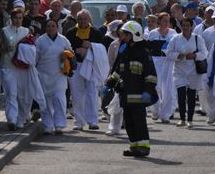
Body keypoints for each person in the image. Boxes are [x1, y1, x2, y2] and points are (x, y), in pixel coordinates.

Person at [105, 20, 158, 157]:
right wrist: (110, 82)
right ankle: (134, 146)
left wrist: (148, 90)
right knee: (128, 122)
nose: (122, 37)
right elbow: (118, 70)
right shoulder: (125, 50)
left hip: (139, 94)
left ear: (134, 35)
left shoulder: (143, 52)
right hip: (126, 93)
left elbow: (150, 74)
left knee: (139, 121)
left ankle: (144, 147)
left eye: (125, 34)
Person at [65, 9, 105, 131]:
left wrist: (91, 48)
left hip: (91, 66)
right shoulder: (71, 32)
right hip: (75, 66)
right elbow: (66, 48)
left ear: (89, 19)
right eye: (80, 19)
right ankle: (79, 122)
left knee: (92, 93)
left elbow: (102, 49)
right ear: (77, 20)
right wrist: (77, 50)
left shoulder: (96, 32)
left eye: (85, 19)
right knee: (77, 95)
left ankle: (93, 121)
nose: (82, 21)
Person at [166, 18, 208, 128]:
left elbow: (204, 53)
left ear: (191, 26)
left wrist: (195, 56)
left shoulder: (197, 38)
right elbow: (168, 52)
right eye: (183, 25)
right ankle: (182, 118)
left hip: (193, 71)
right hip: (180, 70)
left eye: (187, 25)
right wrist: (178, 56)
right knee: (181, 94)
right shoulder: (175, 38)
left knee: (191, 95)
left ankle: (190, 119)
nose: (185, 27)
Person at [36, 20, 73, 135]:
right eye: (48, 26)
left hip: (59, 74)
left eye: (53, 26)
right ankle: (48, 126)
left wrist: (66, 55)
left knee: (59, 99)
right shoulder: (40, 41)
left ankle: (59, 125)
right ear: (45, 28)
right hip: (43, 74)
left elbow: (71, 53)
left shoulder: (63, 40)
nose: (51, 28)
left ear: (57, 28)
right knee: (45, 102)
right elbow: (35, 59)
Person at [0, 8, 30, 130]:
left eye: (20, 18)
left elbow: (31, 47)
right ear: (11, 18)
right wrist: (5, 49)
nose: (18, 20)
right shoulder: (4, 31)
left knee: (21, 94)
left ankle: (22, 117)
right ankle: (12, 120)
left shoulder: (26, 31)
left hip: (21, 67)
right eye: (16, 18)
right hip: (7, 66)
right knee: (11, 93)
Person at [147, 12, 177, 124]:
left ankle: (166, 114)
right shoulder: (152, 34)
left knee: (169, 89)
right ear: (159, 21)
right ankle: (156, 110)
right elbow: (148, 50)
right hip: (155, 61)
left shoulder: (173, 34)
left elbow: (178, 47)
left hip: (168, 62)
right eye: (164, 20)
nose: (166, 23)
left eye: (168, 20)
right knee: (155, 87)